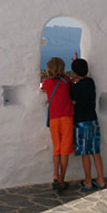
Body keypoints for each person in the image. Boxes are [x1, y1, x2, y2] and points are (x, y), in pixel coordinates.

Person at [70, 57, 106, 190]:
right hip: (93, 121)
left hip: (81, 123)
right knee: (96, 152)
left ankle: (88, 181)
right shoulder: (91, 82)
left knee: (85, 153)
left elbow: (73, 100)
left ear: (74, 72)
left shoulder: (75, 87)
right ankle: (101, 180)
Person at [41, 57, 74, 190]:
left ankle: (55, 175)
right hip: (67, 119)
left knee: (57, 150)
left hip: (54, 120)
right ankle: (62, 179)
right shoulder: (66, 81)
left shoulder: (47, 83)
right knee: (65, 151)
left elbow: (43, 88)